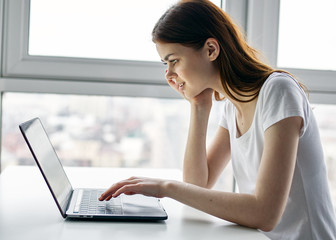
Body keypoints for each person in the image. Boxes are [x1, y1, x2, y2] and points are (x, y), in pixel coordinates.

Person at [99, 0, 336, 239]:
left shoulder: (278, 91)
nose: (169, 74)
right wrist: (199, 107)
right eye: (165, 64)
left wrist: (165, 188)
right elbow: (198, 185)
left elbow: (265, 214)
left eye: (174, 60)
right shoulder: (233, 106)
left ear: (211, 49)